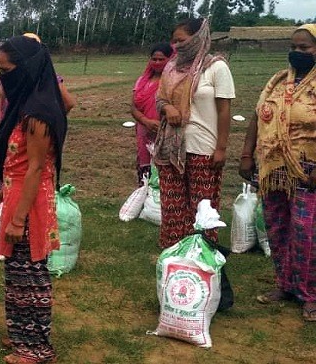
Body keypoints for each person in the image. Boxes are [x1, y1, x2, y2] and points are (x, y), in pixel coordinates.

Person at [0, 36, 68, 364]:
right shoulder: (26, 103)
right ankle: (21, 333)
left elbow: (35, 168)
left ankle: (37, 349)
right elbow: (17, 165)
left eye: (6, 70)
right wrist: (2, 193)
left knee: (32, 278)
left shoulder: (38, 113)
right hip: (18, 199)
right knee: (18, 274)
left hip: (29, 208)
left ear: (27, 69)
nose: (2, 77)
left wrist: (18, 218)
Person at [239, 24, 316, 322]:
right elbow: (258, 118)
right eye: (294, 47)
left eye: (305, 48)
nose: (297, 53)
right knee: (278, 229)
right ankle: (285, 285)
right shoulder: (277, 83)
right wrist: (247, 155)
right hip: (272, 170)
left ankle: (310, 294)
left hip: (307, 172)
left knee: (306, 233)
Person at [154, 18, 235, 249]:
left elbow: (224, 110)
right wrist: (168, 107)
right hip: (171, 148)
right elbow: (160, 99)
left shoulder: (216, 67)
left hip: (204, 148)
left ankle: (201, 254)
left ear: (198, 37)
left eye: (181, 40)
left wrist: (221, 148)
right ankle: (174, 252)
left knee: (202, 206)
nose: (176, 46)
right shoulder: (171, 67)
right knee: (172, 204)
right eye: (174, 41)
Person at [0, 33, 75, 122]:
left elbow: (68, 103)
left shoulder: (50, 77)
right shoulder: (6, 74)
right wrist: (1, 118)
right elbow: (2, 97)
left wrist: (50, 122)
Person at [130, 43, 173, 184]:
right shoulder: (142, 81)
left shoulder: (174, 81)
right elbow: (134, 107)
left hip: (167, 133)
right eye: (154, 59)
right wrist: (146, 121)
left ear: (170, 59)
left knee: (164, 174)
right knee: (145, 174)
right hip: (145, 132)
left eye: (162, 59)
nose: (157, 62)